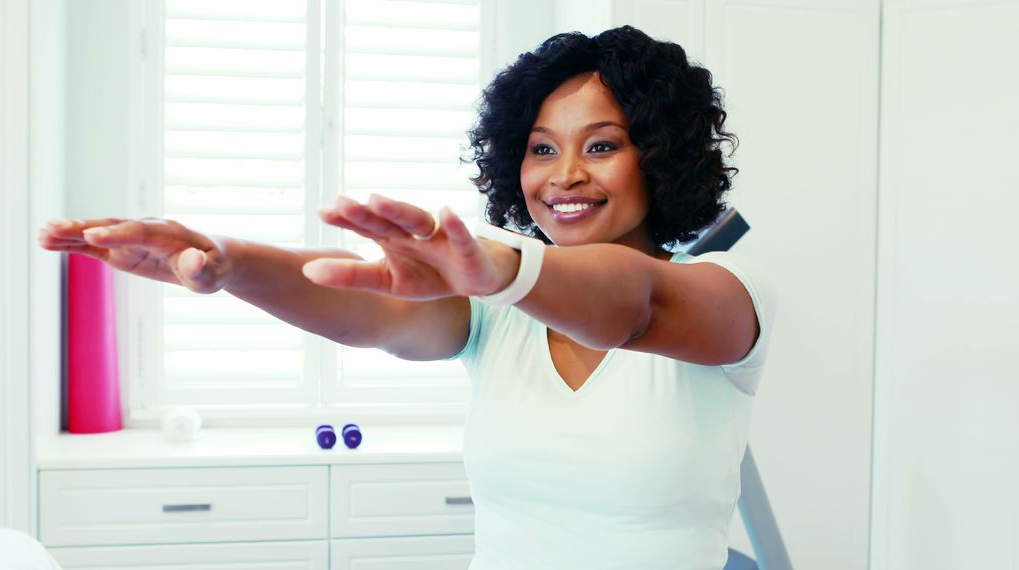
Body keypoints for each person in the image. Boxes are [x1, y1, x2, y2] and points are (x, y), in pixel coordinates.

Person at [39, 25, 774, 570]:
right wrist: (229, 263)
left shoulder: (728, 296)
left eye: (603, 145)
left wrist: (504, 271)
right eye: (542, 148)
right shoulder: (497, 310)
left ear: (661, 155)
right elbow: (370, 310)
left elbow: (636, 306)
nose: (565, 176)